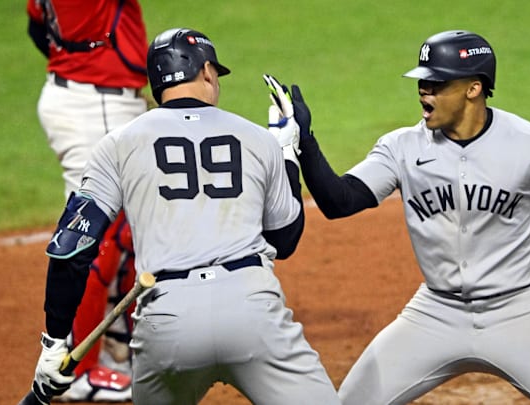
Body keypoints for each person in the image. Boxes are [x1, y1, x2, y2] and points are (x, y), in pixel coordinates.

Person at [272, 30, 530, 404]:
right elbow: (340, 202)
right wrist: (305, 142)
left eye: (437, 83)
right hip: (436, 312)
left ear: (473, 88)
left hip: (522, 311)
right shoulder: (401, 147)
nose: (425, 91)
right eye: (422, 82)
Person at [25, 27, 341, 405]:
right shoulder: (257, 138)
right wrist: (287, 154)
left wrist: (54, 341)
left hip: (167, 321)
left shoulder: (116, 144)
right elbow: (285, 239)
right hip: (253, 313)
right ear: (207, 72)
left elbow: (72, 249)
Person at [26, 0, 149, 401]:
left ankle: (116, 345)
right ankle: (76, 368)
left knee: (127, 229)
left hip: (87, 93)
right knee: (97, 230)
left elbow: (37, 27)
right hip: (96, 102)